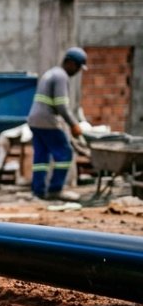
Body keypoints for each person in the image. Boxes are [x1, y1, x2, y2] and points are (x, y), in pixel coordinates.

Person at [26, 47, 88, 201]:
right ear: (70, 63)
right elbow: (61, 106)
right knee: (65, 153)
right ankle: (55, 189)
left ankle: (38, 191)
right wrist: (74, 125)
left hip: (35, 120)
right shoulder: (61, 76)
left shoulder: (51, 73)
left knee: (41, 157)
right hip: (47, 121)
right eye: (78, 67)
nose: (78, 71)